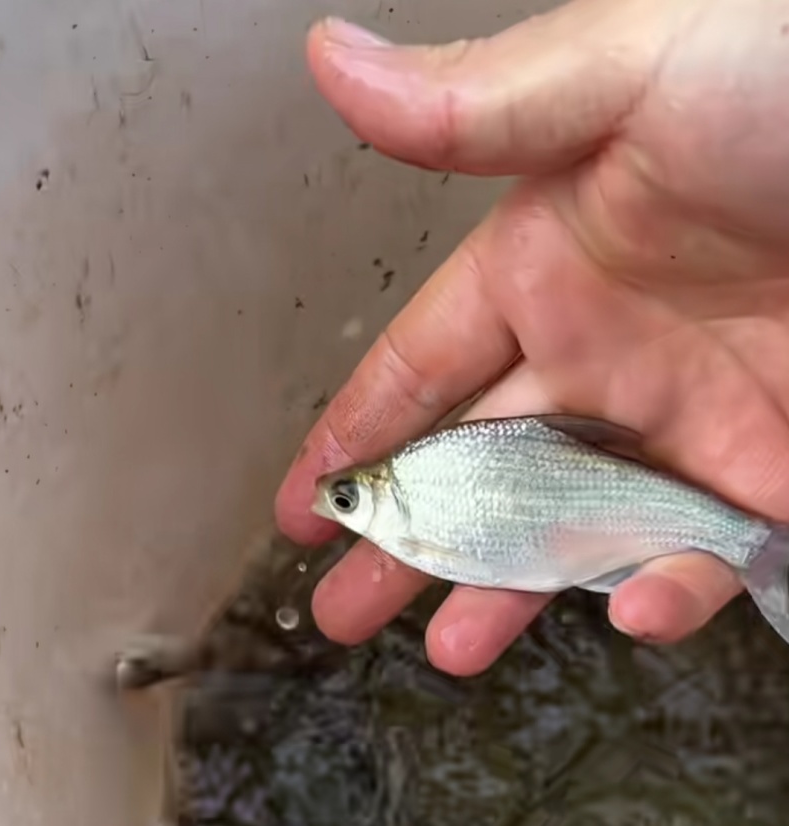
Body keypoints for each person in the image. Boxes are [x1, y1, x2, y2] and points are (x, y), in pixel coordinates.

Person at [276, 0, 789, 676]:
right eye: (345, 497)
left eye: (346, 499)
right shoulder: (418, 496)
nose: (341, 506)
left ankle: (758, 546)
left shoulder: (415, 507)